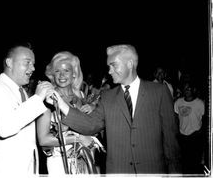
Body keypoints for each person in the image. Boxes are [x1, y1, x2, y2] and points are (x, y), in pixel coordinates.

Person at [44, 44, 182, 174]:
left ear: (129, 64)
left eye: (113, 65)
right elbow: (90, 124)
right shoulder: (107, 97)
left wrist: (175, 173)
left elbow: (170, 140)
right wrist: (61, 104)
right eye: (108, 66)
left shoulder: (159, 92)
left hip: (152, 171)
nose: (109, 71)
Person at [0, 43, 50, 175]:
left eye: (33, 64)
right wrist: (38, 98)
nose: (32, 68)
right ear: (9, 63)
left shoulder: (22, 92)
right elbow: (4, 127)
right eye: (27, 62)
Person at [36, 51, 104, 175]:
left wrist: (93, 108)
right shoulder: (48, 99)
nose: (61, 75)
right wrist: (78, 138)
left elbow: (90, 125)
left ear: (74, 74)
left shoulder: (81, 96)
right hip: (60, 161)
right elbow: (43, 140)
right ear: (52, 74)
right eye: (57, 71)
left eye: (66, 70)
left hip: (85, 159)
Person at [174, 80, 204, 174]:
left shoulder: (200, 103)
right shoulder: (178, 102)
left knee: (195, 163)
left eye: (189, 88)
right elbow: (175, 119)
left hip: (195, 136)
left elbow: (204, 120)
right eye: (185, 88)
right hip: (182, 136)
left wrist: (200, 133)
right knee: (184, 162)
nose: (187, 90)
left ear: (193, 90)